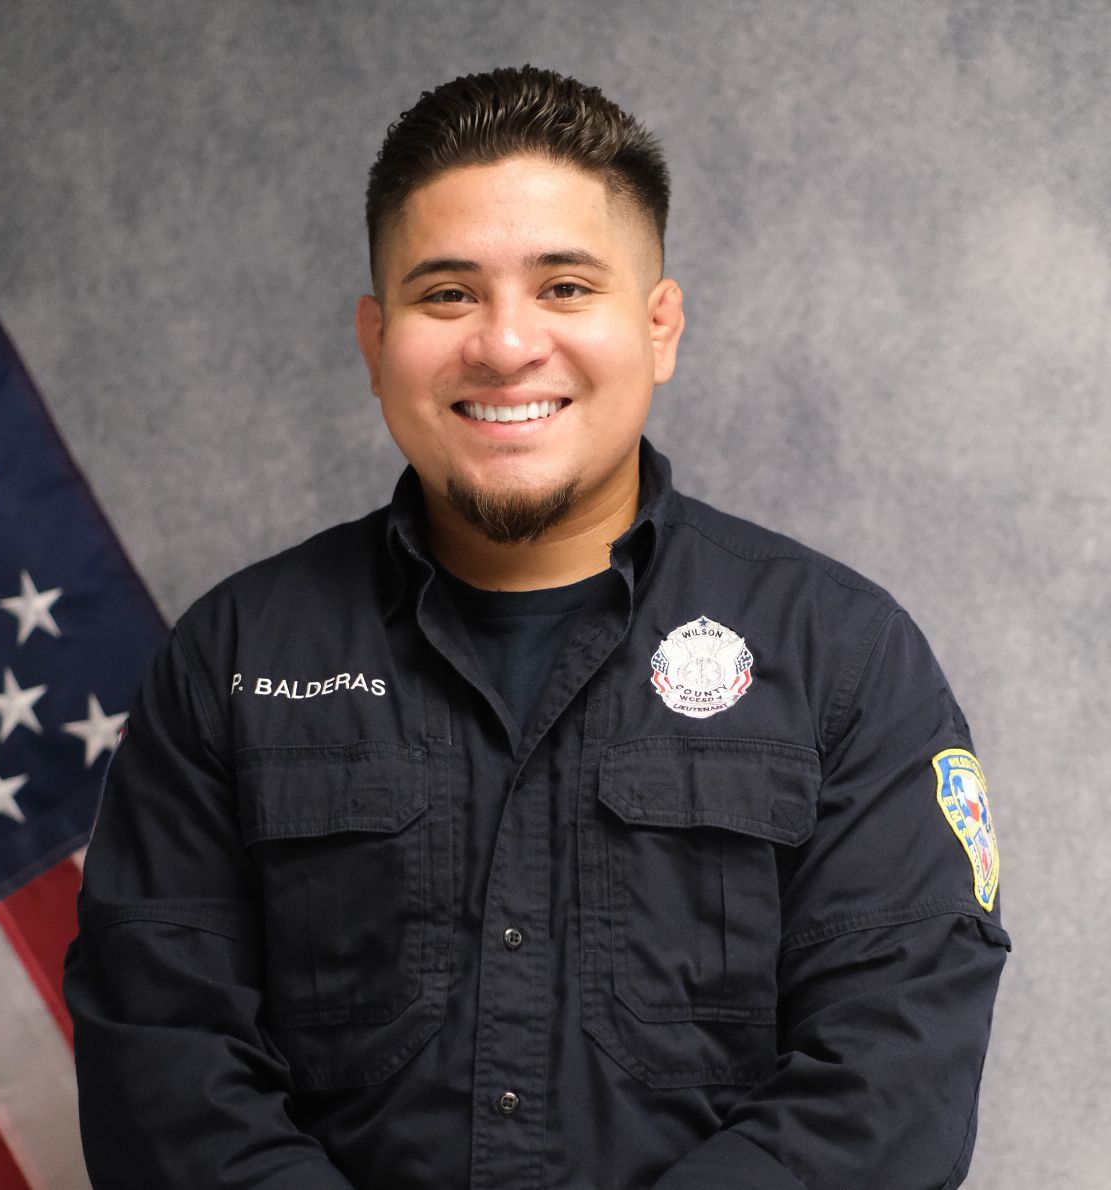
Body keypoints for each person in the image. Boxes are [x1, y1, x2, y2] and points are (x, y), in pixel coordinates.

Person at [64, 65, 1010, 1189]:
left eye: (564, 286)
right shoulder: (230, 662)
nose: (506, 345)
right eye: (446, 293)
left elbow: (889, 1085)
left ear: (657, 325)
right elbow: (162, 1072)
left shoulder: (844, 657)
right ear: (375, 341)